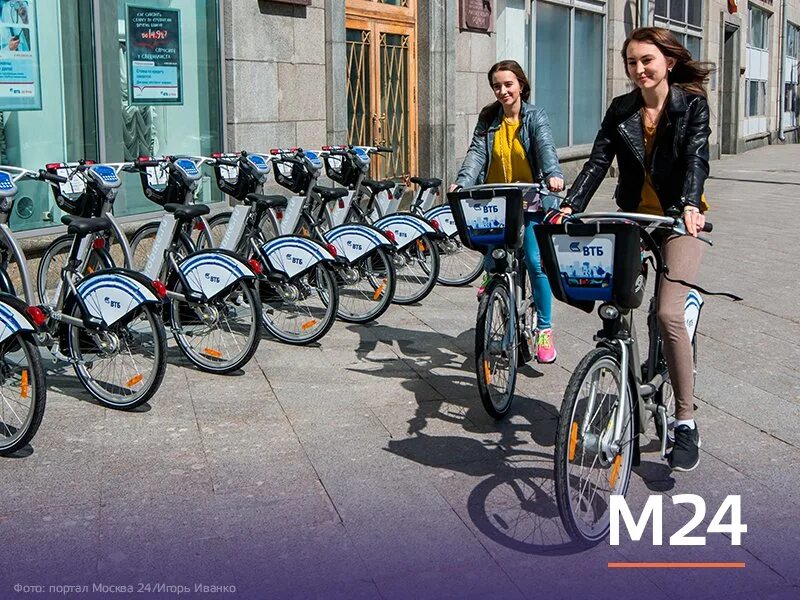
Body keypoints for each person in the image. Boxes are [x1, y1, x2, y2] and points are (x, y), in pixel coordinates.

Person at [557, 27, 712, 472]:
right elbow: (598, 160)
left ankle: (685, 421)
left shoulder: (691, 106)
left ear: (667, 61)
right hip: (635, 217)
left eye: (647, 59)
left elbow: (697, 159)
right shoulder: (621, 109)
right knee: (615, 298)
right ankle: (620, 367)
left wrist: (688, 204)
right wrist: (570, 205)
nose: (639, 69)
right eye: (631, 62)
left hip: (678, 218)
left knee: (666, 314)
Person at [450, 60, 564, 364]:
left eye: (508, 84)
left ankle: (544, 329)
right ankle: (492, 276)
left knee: (536, 262)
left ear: (521, 85)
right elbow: (477, 154)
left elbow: (545, 148)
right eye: (497, 86)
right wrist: (462, 183)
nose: (502, 91)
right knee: (491, 245)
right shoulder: (489, 118)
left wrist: (553, 175)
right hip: (498, 200)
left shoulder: (534, 116)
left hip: (530, 200)